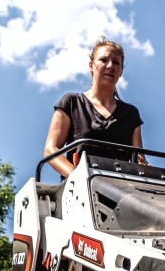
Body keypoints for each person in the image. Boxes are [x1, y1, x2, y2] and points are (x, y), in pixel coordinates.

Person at [44, 37, 145, 177]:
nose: (110, 66)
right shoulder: (71, 103)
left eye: (116, 62)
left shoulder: (131, 114)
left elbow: (139, 161)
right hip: (80, 193)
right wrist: (77, 176)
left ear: (121, 71)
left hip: (122, 190)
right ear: (91, 65)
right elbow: (51, 150)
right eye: (104, 60)